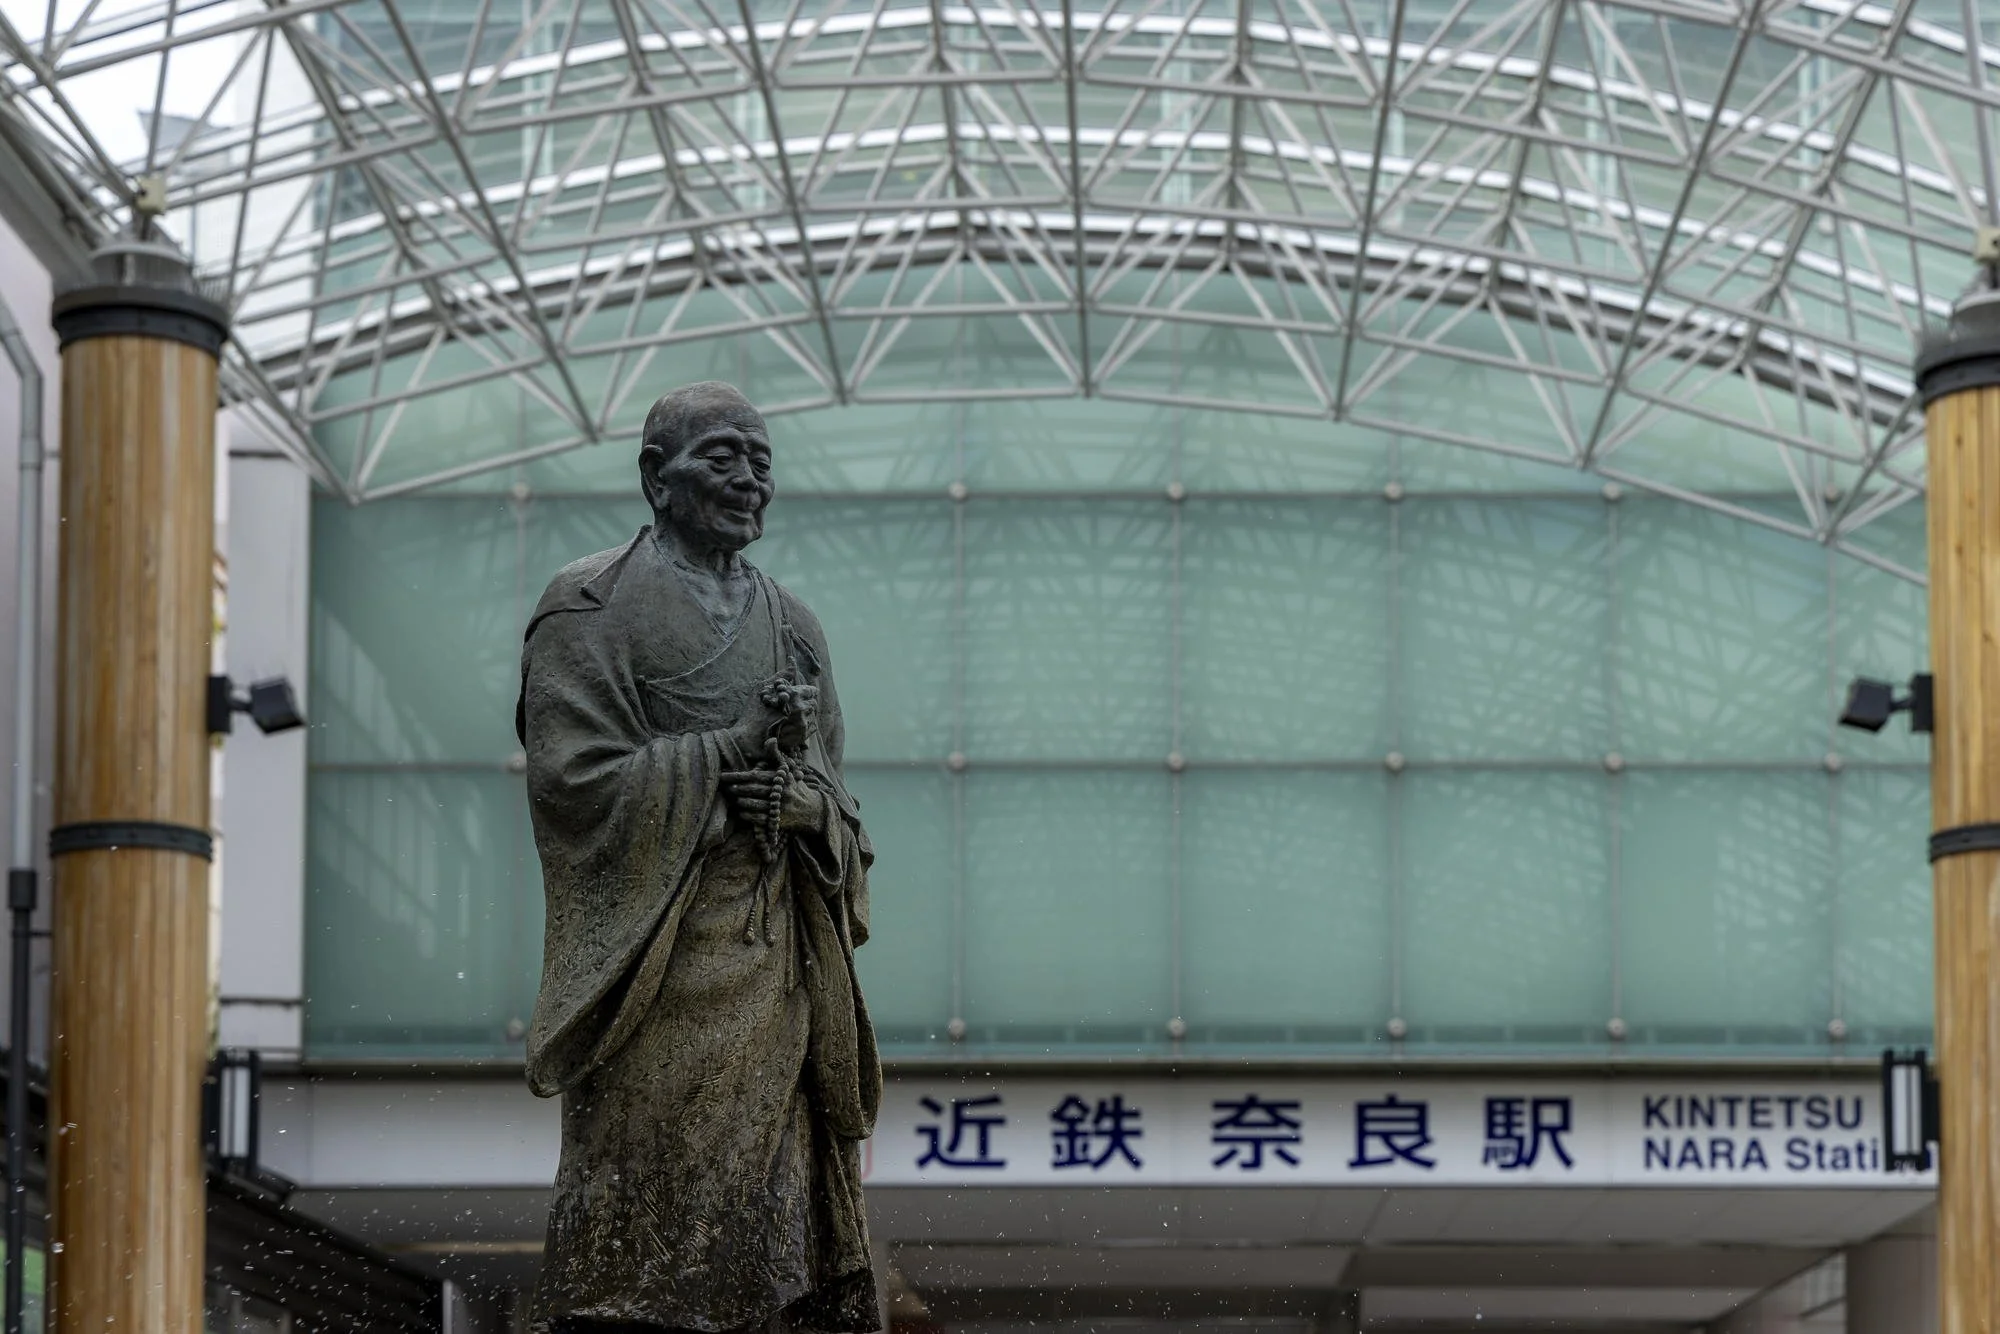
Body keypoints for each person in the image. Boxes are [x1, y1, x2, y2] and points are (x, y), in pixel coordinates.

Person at [514, 382, 880, 1334]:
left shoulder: (794, 626)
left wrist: (807, 811)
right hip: (652, 962)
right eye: (723, 457)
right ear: (655, 476)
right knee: (639, 1226)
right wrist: (724, 757)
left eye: (762, 462)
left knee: (773, 1244)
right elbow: (573, 782)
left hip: (771, 970)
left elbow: (841, 805)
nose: (751, 480)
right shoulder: (588, 605)